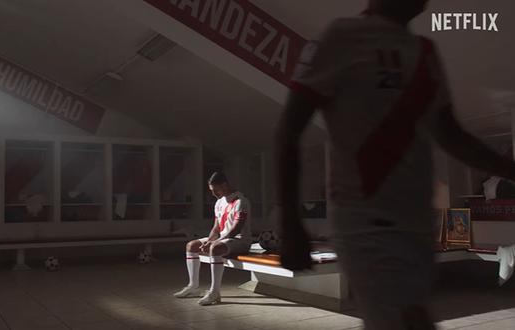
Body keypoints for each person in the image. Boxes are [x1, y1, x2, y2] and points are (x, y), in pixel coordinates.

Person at [275, 0, 515, 329]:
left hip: (416, 225)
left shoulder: (424, 52)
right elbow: (289, 129)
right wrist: (290, 222)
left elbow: (452, 136)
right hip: (367, 222)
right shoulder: (342, 37)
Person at [174, 171, 251, 305]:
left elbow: (236, 229)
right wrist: (209, 241)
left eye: (216, 190)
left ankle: (215, 292)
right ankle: (193, 287)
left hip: (240, 241)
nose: (214, 194)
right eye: (212, 190)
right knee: (191, 246)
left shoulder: (241, 201)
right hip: (223, 239)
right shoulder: (219, 203)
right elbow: (216, 228)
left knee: (215, 248)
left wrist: (215, 242)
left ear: (225, 185)